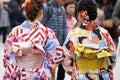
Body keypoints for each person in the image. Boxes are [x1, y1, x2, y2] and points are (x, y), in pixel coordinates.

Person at [3, 0, 64, 79]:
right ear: (42, 12)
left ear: (25, 12)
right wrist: (50, 66)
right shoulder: (46, 32)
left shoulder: (15, 31)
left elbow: (7, 55)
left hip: (20, 73)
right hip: (39, 73)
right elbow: (58, 54)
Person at [62, 0, 116, 80]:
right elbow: (113, 57)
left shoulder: (73, 34)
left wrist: (75, 72)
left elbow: (66, 61)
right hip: (102, 76)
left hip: (81, 76)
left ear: (80, 14)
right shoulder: (105, 33)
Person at [41, 0, 67, 80]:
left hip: (61, 43)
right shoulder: (46, 7)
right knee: (51, 69)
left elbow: (64, 26)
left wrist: (65, 42)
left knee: (62, 68)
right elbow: (42, 25)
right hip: (50, 45)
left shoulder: (62, 9)